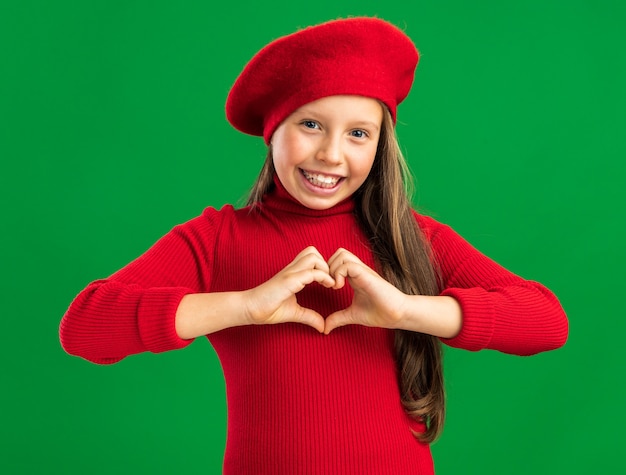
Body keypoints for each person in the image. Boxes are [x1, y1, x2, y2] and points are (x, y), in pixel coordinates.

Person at [59, 16, 568, 474]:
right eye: (310, 124)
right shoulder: (217, 239)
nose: (330, 154)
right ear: (272, 131)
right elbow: (84, 326)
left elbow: (546, 320)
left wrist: (406, 310)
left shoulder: (414, 237)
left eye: (358, 134)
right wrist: (243, 306)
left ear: (380, 146)